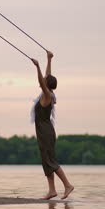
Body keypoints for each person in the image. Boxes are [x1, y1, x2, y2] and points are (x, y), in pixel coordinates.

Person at [31, 50, 74, 200]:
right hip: (44, 131)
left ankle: (68, 185)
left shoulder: (47, 95)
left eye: (45, 79)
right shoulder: (48, 93)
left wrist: (37, 67)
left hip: (46, 132)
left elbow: (42, 81)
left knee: (50, 160)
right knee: (46, 160)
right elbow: (47, 78)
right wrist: (49, 59)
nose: (44, 78)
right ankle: (52, 191)